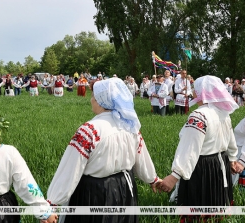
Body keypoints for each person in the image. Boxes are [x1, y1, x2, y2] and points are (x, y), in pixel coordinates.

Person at [46, 78, 160, 223]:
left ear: (101, 100)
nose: (91, 100)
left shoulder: (90, 130)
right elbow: (142, 157)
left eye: (94, 96)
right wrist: (152, 179)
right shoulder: (130, 126)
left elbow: (70, 169)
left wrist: (52, 203)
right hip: (124, 188)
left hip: (94, 192)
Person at [159, 75, 238, 222]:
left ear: (201, 91)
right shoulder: (223, 113)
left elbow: (190, 148)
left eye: (196, 88)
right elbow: (230, 139)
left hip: (202, 166)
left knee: (198, 204)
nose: (193, 90)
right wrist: (232, 158)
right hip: (220, 163)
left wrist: (175, 175)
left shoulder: (199, 115)